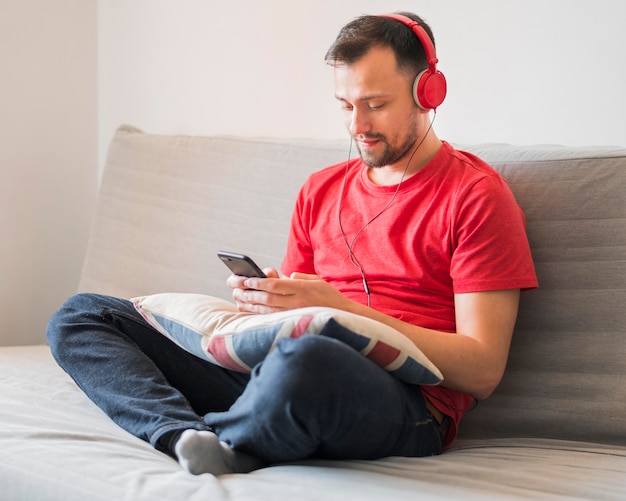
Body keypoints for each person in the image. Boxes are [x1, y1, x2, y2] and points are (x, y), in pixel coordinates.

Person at [47, 12, 537, 476]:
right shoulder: (320, 189)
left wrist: (340, 309)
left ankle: (239, 433)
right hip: (284, 371)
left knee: (305, 363)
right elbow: (292, 321)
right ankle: (181, 434)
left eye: (376, 104)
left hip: (402, 399)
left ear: (428, 92)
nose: (356, 125)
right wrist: (267, 302)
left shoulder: (476, 196)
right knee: (83, 314)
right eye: (345, 105)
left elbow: (483, 368)